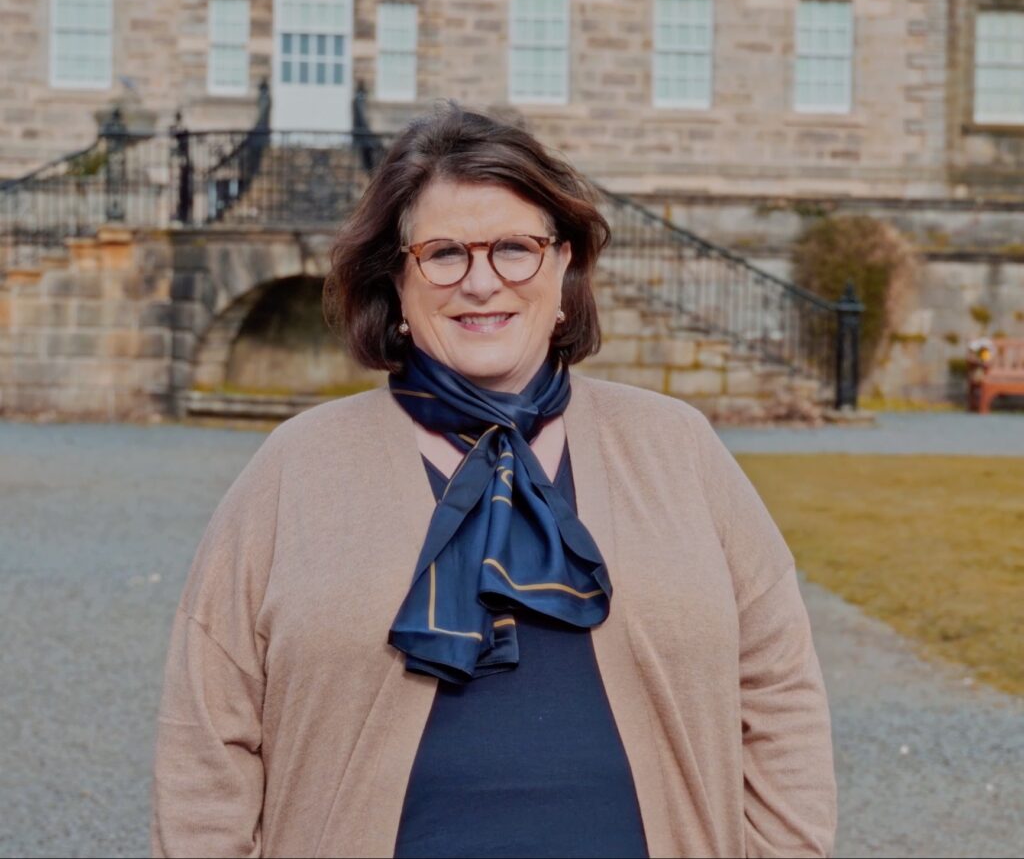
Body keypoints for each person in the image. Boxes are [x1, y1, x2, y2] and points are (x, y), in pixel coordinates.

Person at [151, 102, 837, 858]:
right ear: (398, 283)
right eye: (444, 254)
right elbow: (206, 741)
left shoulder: (678, 447)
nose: (481, 283)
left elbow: (778, 694)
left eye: (515, 247)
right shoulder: (295, 466)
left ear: (563, 264)